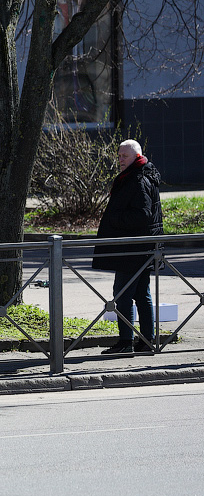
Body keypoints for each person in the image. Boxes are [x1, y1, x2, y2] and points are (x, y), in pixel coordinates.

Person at [92, 139, 163, 354]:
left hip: (133, 248)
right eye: (119, 155)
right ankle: (147, 341)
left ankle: (126, 342)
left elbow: (143, 214)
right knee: (142, 294)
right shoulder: (137, 176)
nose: (120, 159)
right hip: (142, 247)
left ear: (136, 157)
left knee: (122, 294)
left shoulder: (137, 179)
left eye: (124, 156)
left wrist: (114, 219)